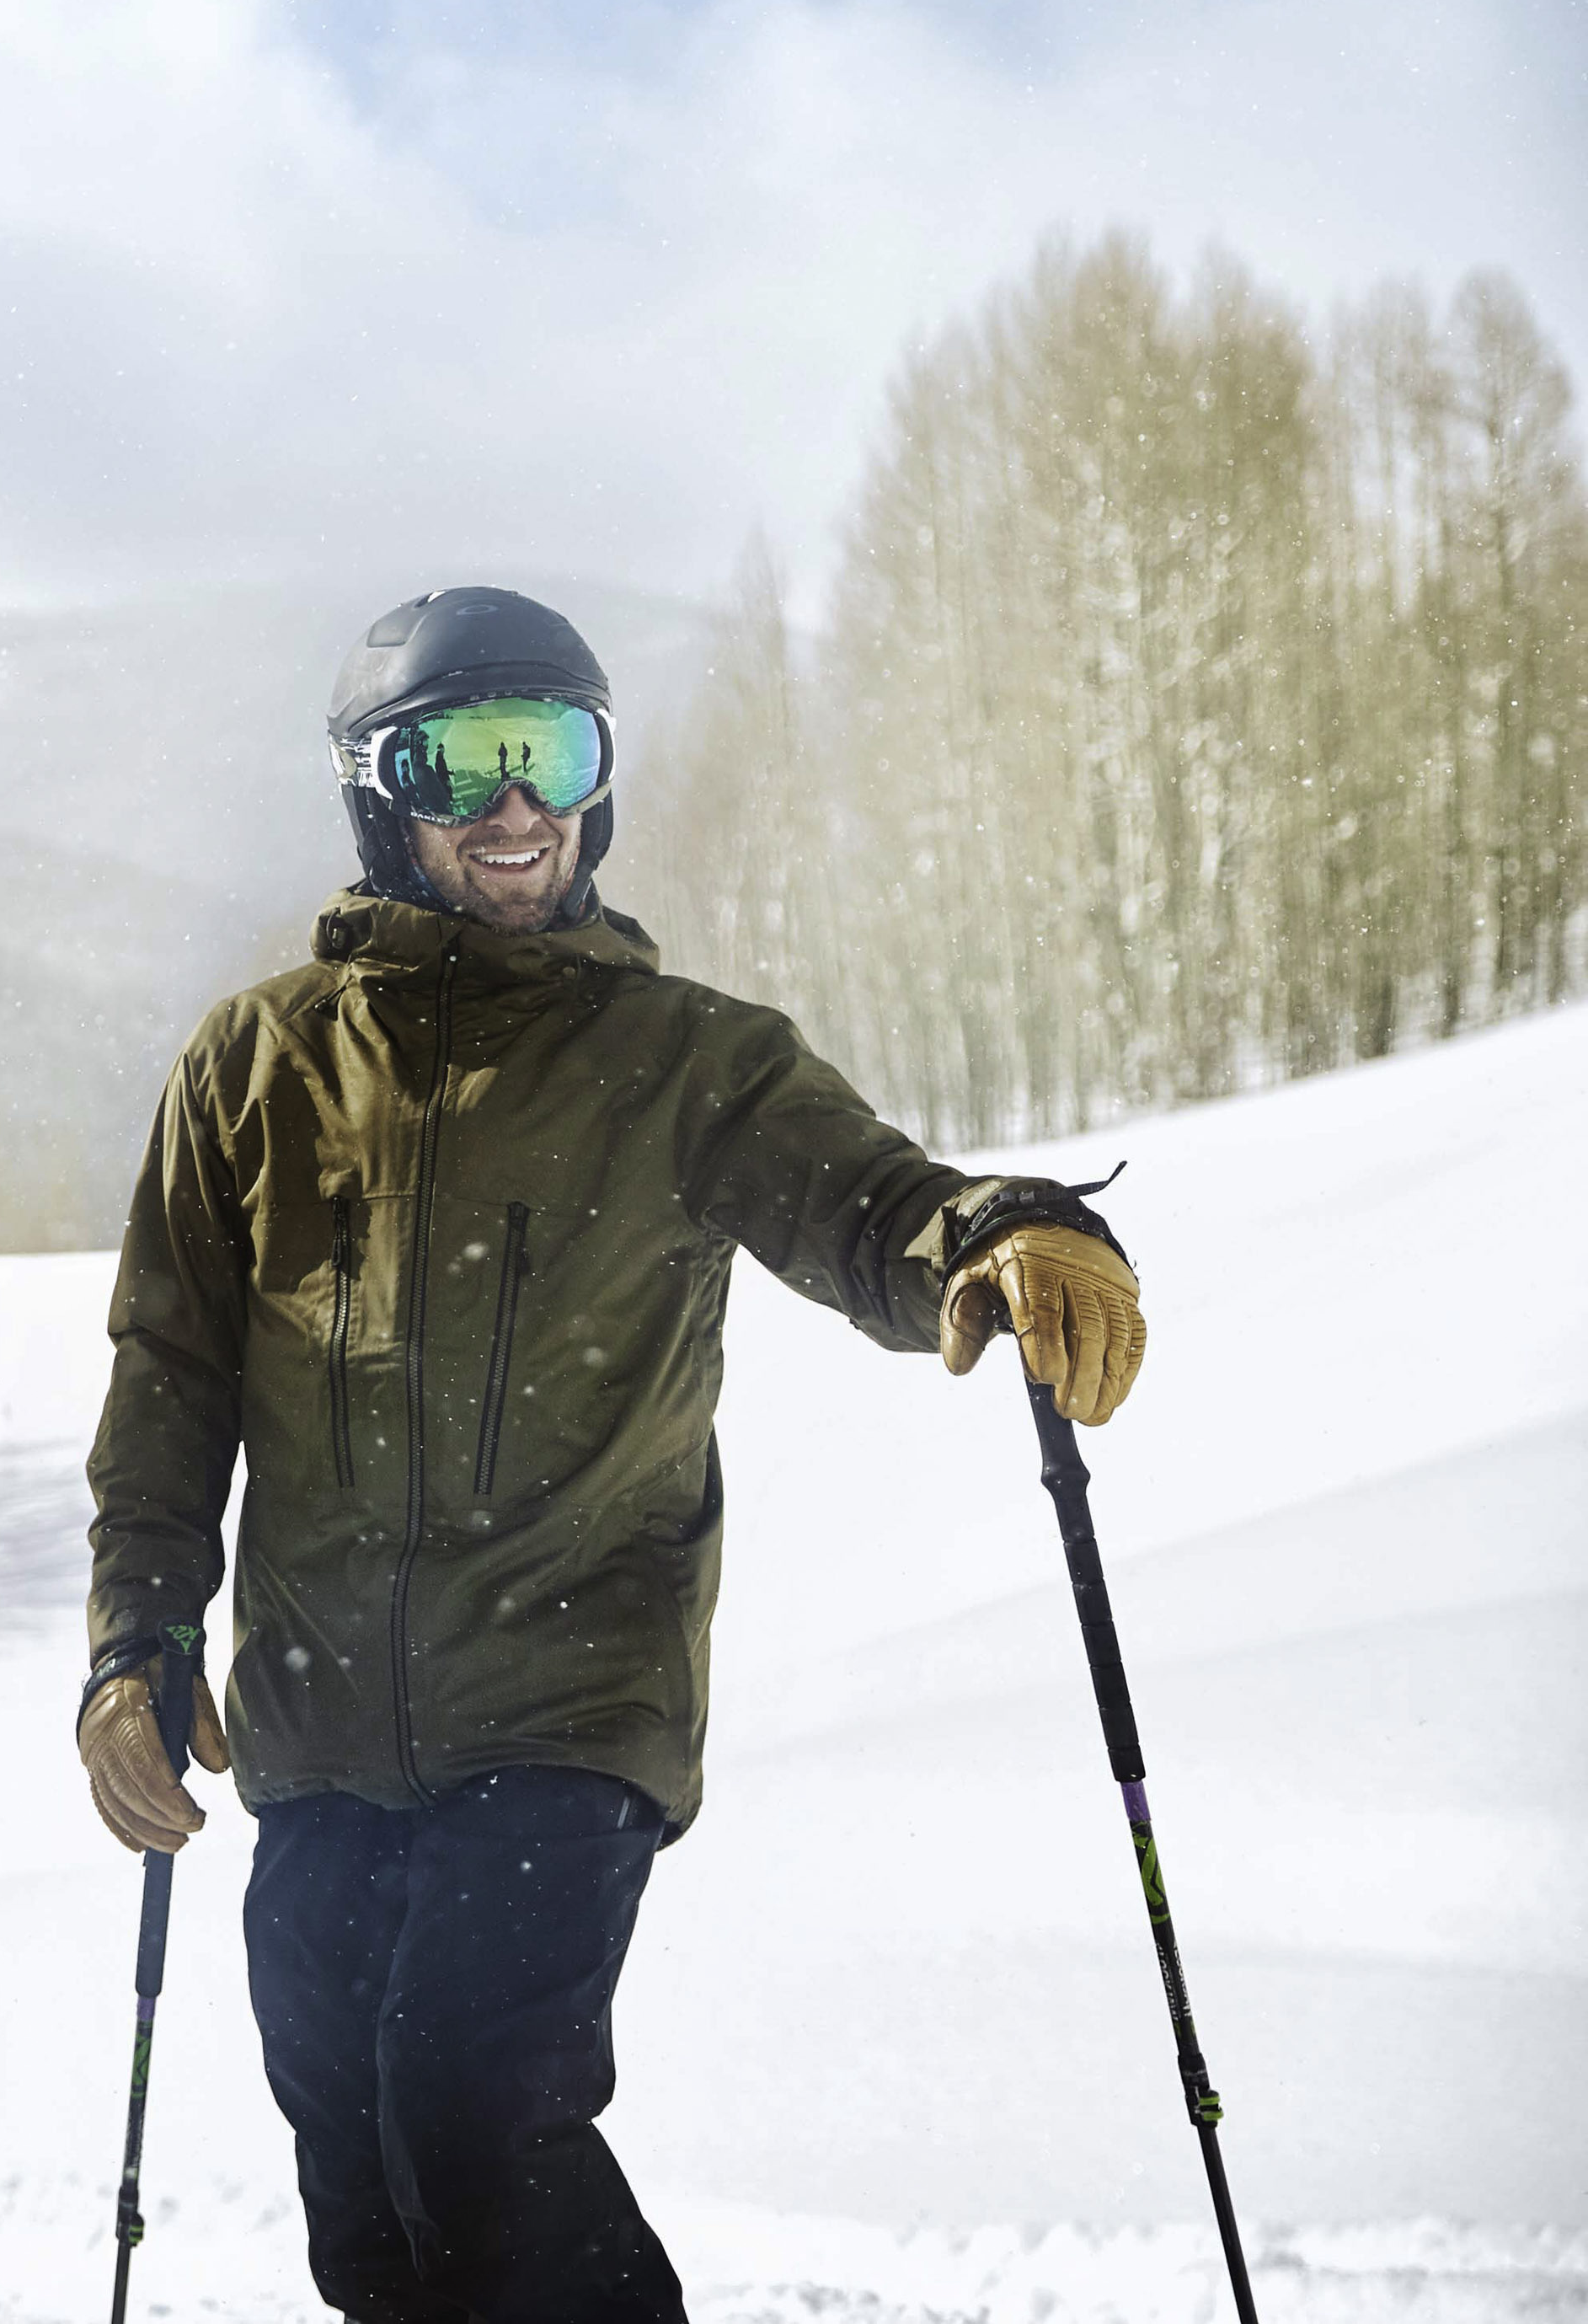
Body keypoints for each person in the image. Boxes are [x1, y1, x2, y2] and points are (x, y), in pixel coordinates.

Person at [78, 585, 1157, 2322]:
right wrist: (132, 1641)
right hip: (318, 1723)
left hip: (568, 1698)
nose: (517, 807)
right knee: (362, 2200)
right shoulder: (255, 1065)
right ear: (378, 791)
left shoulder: (683, 1062)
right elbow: (167, 1382)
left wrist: (1001, 1231)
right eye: (463, 762)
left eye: (555, 753)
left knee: (467, 2116)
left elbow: (874, 1208)